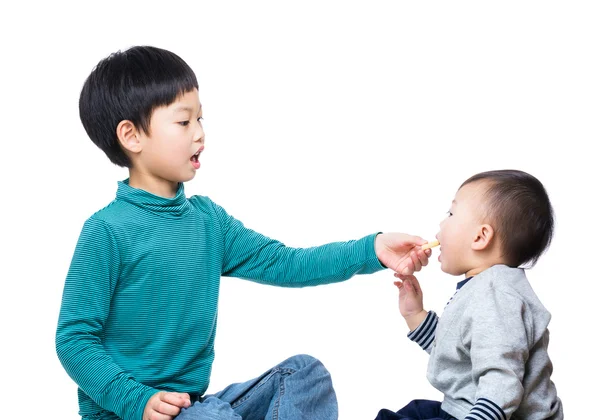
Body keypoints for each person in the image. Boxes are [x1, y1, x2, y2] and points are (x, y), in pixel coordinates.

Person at [56, 45, 431, 420]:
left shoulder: (209, 222)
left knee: (304, 373)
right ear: (132, 136)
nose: (200, 134)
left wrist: (373, 249)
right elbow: (73, 340)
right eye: (184, 122)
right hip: (128, 413)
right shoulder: (106, 231)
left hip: (194, 409)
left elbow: (287, 263)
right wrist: (137, 401)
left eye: (201, 119)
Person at [376, 170, 563, 420]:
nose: (442, 224)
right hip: (468, 408)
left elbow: (502, 382)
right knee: (413, 413)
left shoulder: (497, 296)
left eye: (451, 214)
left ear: (480, 237)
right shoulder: (485, 287)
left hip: (491, 414)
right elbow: (459, 355)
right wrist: (415, 313)